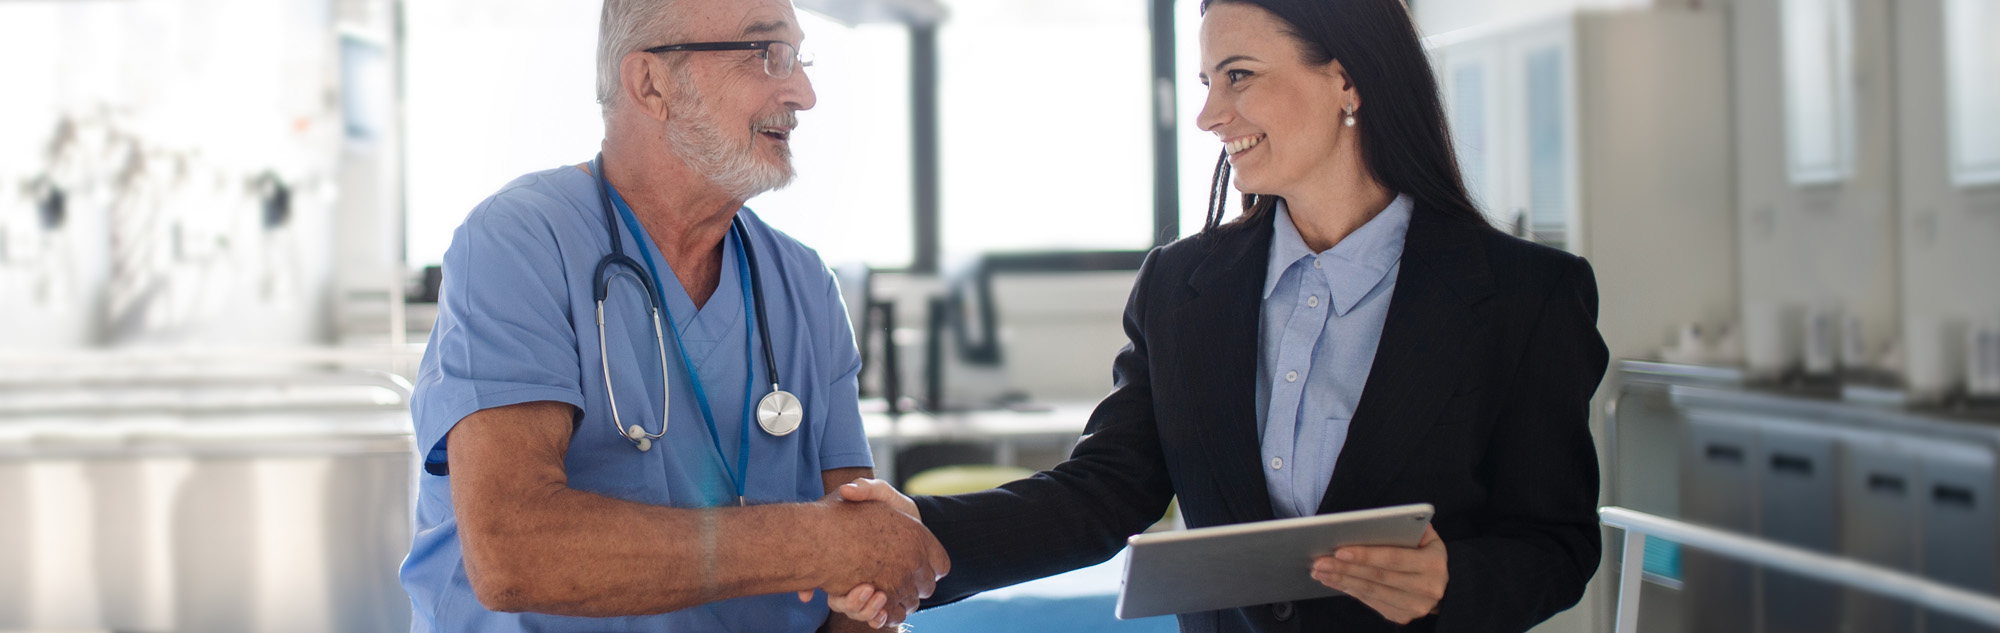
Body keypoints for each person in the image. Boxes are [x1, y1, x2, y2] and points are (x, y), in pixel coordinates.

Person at [831, 0, 1608, 630]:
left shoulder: (1524, 296)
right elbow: (1105, 492)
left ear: (1347, 80)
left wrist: (1450, 580)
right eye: (1205, 80)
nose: (1209, 115)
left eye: (1237, 76)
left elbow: (1557, 543)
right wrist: (917, 534)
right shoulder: (1182, 285)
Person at [397, 0, 946, 631]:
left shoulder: (802, 284)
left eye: (799, 57)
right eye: (767, 53)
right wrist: (810, 544)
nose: (803, 92)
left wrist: (853, 565)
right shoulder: (520, 243)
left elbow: (864, 574)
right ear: (651, 84)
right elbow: (515, 554)